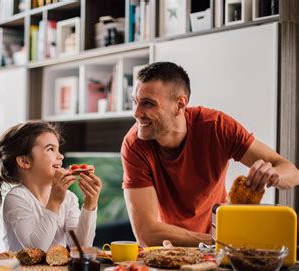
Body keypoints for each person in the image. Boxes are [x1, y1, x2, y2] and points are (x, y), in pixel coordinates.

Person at [122, 62, 299, 247]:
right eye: (135, 101)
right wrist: (220, 240)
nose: (136, 113)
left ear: (180, 105)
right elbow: (146, 234)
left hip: (219, 251)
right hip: (171, 249)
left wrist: (275, 175)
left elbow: (292, 173)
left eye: (148, 103)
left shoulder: (217, 127)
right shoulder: (134, 145)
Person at [0, 121, 102, 252]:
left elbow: (80, 247)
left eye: (58, 149)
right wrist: (55, 201)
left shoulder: (69, 198)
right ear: (25, 161)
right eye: (50, 149)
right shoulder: (17, 198)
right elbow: (35, 250)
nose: (61, 156)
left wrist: (89, 205)